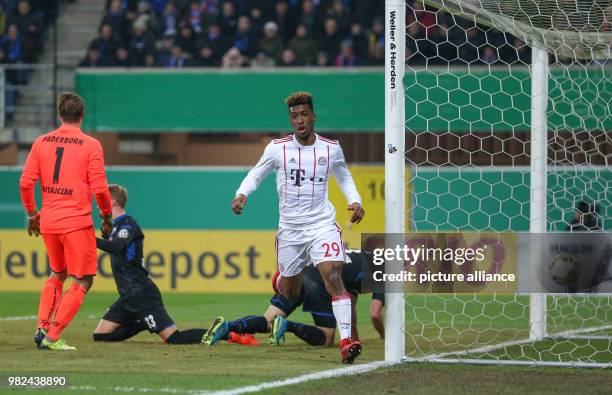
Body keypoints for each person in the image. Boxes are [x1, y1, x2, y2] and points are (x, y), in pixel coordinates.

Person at [231, 91, 365, 363]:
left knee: (333, 276)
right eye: (294, 116)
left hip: (321, 225)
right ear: (291, 120)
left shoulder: (331, 148)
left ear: (313, 117)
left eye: (304, 115)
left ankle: (347, 341)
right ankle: (281, 278)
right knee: (289, 292)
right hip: (291, 232)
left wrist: (355, 200)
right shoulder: (277, 148)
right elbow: (256, 173)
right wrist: (242, 193)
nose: (300, 120)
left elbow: (345, 177)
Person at [20, 92, 113, 351]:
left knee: (58, 273)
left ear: (60, 115)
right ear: (82, 115)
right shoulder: (90, 145)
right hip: (76, 222)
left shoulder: (41, 142)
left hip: (49, 221)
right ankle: (52, 336)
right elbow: (100, 189)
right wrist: (106, 216)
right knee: (83, 279)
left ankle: (42, 327)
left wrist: (32, 215)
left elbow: (26, 183)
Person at [93, 184, 209, 344]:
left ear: (112, 201)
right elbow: (115, 246)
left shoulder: (128, 223)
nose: (98, 205)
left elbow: (116, 247)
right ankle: (144, 323)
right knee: (100, 336)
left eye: (102, 201)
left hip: (141, 294)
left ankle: (225, 332)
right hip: (127, 296)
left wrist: (87, 238)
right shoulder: (116, 227)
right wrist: (106, 235)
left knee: (174, 338)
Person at [203, 250, 385, 347]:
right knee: (326, 339)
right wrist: (386, 337)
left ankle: (227, 326)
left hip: (300, 272)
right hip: (319, 281)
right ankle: (287, 325)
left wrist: (355, 338)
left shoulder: (361, 257)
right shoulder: (385, 272)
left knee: (267, 320)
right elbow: (375, 314)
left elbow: (349, 303)